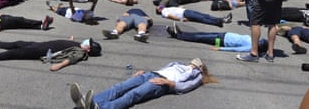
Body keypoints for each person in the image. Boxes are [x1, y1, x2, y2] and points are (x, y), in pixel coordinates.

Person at [69, 58, 218, 109]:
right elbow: (163, 69)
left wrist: (167, 82)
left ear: (201, 67)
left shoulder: (197, 76)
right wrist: (146, 71)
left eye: (198, 62)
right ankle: (90, 103)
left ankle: (101, 107)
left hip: (162, 84)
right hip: (152, 74)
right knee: (120, 87)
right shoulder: (179, 64)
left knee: (133, 95)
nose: (194, 61)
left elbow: (186, 87)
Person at [0, 35, 102, 72]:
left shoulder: (80, 52)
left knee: (15, 53)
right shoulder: (78, 45)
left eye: (88, 43)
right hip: (41, 45)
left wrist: (59, 66)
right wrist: (70, 41)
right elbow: (65, 47)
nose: (86, 41)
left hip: (41, 51)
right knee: (19, 42)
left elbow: (72, 59)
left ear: (88, 50)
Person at [166, 22, 268, 53]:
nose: (260, 39)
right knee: (202, 34)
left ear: (259, 45)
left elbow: (236, 49)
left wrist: (220, 48)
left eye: (261, 41)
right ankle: (182, 33)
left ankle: (177, 35)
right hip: (225, 35)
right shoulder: (254, 40)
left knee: (200, 38)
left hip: (223, 41)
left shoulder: (251, 47)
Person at [156, 5, 232, 28]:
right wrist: (181, 19)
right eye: (158, 7)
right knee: (202, 18)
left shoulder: (165, 9)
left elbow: (173, 12)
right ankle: (220, 21)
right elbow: (170, 16)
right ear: (159, 11)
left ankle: (219, 21)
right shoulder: (163, 12)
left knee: (204, 16)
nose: (160, 6)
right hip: (184, 14)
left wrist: (179, 8)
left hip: (185, 12)